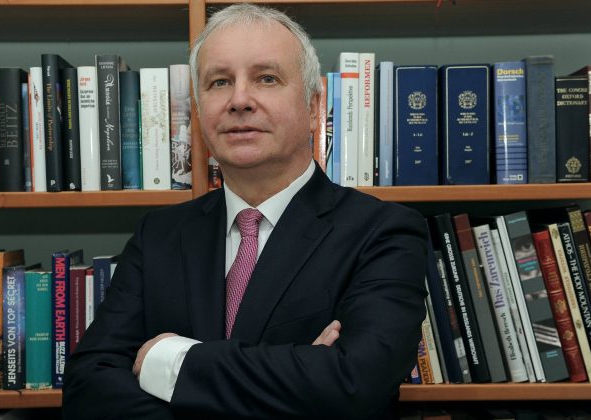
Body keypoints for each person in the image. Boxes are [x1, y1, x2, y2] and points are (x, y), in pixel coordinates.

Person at [63, 4, 428, 419]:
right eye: (219, 82)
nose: (239, 100)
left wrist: (172, 360)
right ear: (199, 112)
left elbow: (355, 384)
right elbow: (87, 389)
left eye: (266, 78)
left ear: (313, 108)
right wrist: (301, 379)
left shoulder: (383, 232)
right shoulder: (158, 234)